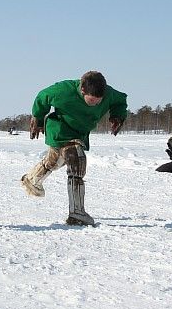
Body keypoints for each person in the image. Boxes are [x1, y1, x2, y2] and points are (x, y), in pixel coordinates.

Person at [20, 70, 128, 226]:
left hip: (80, 132)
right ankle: (77, 214)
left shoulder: (109, 93)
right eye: (92, 101)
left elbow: (120, 100)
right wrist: (37, 118)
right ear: (82, 89)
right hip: (60, 129)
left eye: (99, 101)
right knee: (77, 160)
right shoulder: (64, 90)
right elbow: (42, 96)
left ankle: (31, 179)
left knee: (56, 160)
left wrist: (118, 115)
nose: (96, 104)